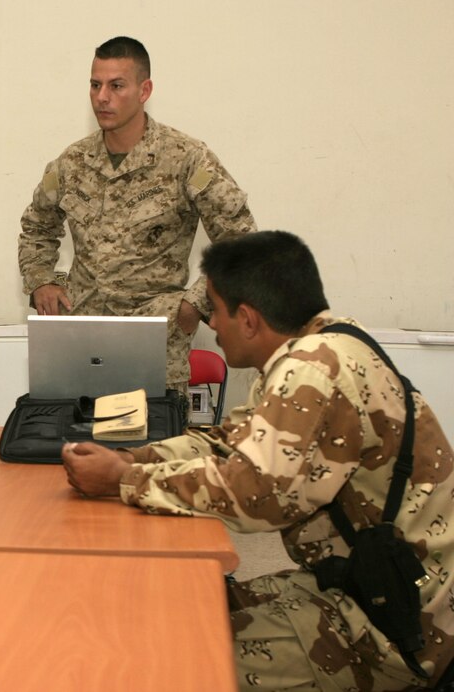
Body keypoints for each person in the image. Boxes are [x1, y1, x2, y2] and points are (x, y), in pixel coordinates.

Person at [61, 231, 454, 690]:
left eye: (214, 310)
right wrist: (134, 456)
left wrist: (125, 480)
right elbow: (230, 443)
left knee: (164, 659)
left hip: (396, 624)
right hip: (365, 581)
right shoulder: (321, 343)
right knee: (185, 603)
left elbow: (258, 495)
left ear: (247, 319)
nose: (211, 325)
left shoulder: (312, 369)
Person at [18, 36, 256, 397]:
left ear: (144, 90)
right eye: (95, 85)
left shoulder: (184, 158)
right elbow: (37, 226)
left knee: (155, 452)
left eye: (116, 86)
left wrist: (196, 304)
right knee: (74, 450)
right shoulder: (73, 162)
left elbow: (241, 241)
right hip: (82, 343)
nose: (102, 97)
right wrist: (40, 281)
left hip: (155, 344)